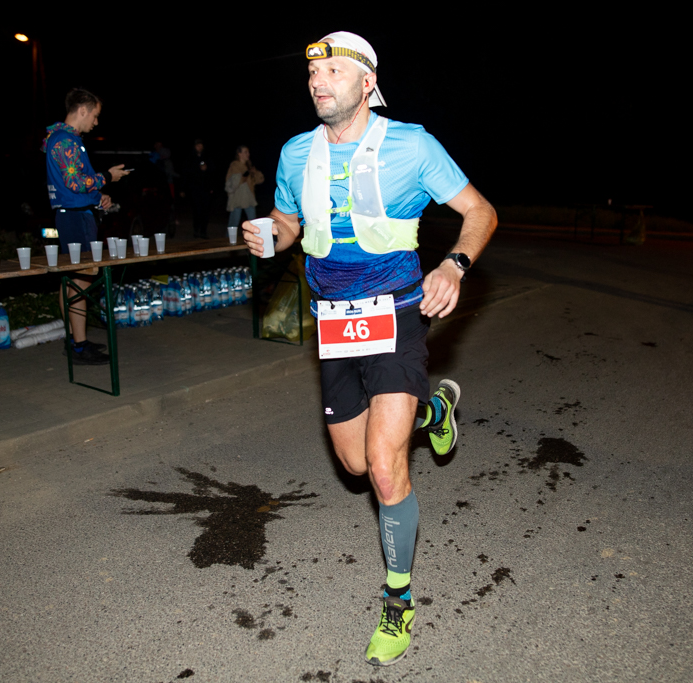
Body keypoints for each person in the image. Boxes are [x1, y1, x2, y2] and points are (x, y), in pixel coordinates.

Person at [243, 32, 496, 667]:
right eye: (312, 72)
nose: (318, 81)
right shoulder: (295, 152)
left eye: (333, 70)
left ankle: (397, 601)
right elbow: (290, 221)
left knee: (385, 469)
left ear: (367, 82)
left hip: (398, 314)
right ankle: (433, 410)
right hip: (332, 322)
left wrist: (455, 265)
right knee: (355, 464)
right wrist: (270, 234)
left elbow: (480, 212)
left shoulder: (412, 144)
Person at [43, 88, 129, 364]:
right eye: (95, 115)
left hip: (74, 213)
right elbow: (75, 182)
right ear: (83, 110)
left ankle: (74, 340)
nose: (96, 122)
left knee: (70, 280)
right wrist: (107, 176)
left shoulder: (62, 138)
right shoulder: (64, 140)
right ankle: (79, 347)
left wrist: (97, 197)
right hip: (74, 218)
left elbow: (77, 184)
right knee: (82, 280)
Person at [225, 145, 265, 228]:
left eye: (248, 152)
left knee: (253, 222)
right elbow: (234, 182)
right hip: (237, 198)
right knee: (233, 224)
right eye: (245, 152)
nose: (248, 154)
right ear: (239, 154)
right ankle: (229, 237)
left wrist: (254, 172)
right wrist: (247, 173)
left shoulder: (249, 166)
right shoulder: (235, 165)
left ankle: (254, 236)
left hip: (249, 198)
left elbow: (260, 180)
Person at [182, 139, 212, 238]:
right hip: (194, 189)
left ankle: (203, 231)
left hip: (205, 189)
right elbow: (186, 174)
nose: (200, 147)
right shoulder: (190, 158)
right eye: (198, 145)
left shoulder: (207, 157)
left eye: (201, 145)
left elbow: (212, 173)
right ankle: (196, 230)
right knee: (197, 210)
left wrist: (207, 169)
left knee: (205, 211)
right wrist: (183, 189)